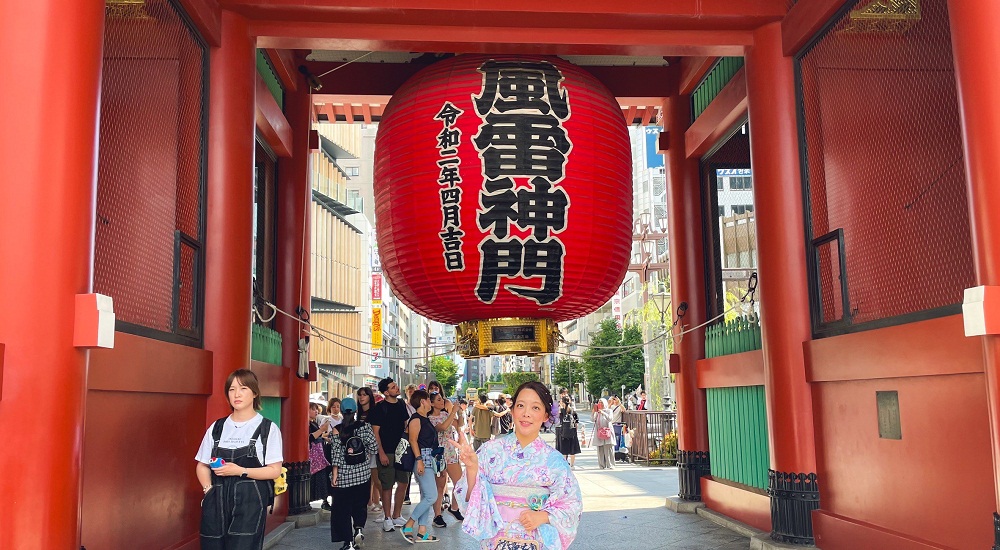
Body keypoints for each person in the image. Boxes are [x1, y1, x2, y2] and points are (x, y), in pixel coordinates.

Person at [451, 382, 582, 550]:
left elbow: (572, 505)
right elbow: (471, 500)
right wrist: (471, 469)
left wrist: (543, 516)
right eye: (520, 405)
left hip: (537, 539)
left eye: (535, 408)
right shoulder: (490, 451)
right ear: (512, 411)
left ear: (545, 416)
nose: (526, 413)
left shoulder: (555, 461)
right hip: (497, 540)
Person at [195, 369, 284, 550]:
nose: (237, 394)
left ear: (254, 393)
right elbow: (202, 464)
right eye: (231, 389)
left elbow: (274, 470)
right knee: (212, 545)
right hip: (216, 499)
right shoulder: (217, 427)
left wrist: (239, 471)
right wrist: (208, 491)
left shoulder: (267, 428)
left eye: (243, 388)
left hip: (250, 501)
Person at [329, 397, 378, 550]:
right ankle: (358, 528)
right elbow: (374, 448)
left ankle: (348, 542)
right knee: (360, 505)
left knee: (342, 509)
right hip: (363, 475)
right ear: (356, 411)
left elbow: (335, 454)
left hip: (343, 477)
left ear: (342, 412)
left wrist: (335, 474)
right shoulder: (365, 426)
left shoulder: (337, 429)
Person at [369, 377, 411, 532]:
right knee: (387, 486)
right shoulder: (379, 408)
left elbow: (406, 425)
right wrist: (381, 453)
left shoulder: (401, 404)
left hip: (402, 450)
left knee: (403, 482)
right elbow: (375, 433)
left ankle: (396, 514)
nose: (396, 388)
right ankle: (387, 517)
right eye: (393, 387)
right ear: (386, 392)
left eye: (396, 386)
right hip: (386, 450)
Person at [400, 389, 441, 542]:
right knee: (432, 496)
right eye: (429, 400)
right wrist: (419, 460)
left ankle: (422, 532)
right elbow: (413, 440)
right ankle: (409, 524)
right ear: (423, 401)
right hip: (422, 459)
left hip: (428, 459)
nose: (431, 402)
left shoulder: (424, 418)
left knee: (426, 495)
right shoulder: (416, 419)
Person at [428, 391, 466, 527]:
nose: (441, 401)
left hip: (450, 452)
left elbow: (458, 424)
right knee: (440, 485)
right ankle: (437, 515)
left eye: (442, 399)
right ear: (431, 403)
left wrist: (459, 412)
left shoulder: (445, 414)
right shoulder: (430, 418)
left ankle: (454, 507)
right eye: (438, 400)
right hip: (439, 454)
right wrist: (452, 412)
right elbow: (442, 427)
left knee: (460, 482)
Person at [356, 386, 382, 513]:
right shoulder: (359, 413)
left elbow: (376, 432)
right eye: (360, 395)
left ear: (370, 397)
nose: (361, 397)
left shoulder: (374, 411)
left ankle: (385, 507)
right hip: (362, 450)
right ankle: (372, 502)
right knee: (368, 479)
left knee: (376, 479)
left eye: (364, 395)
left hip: (373, 449)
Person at [309, 402, 333, 510]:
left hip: (318, 456)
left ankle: (324, 500)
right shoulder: (307, 423)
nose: (316, 411)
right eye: (313, 409)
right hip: (313, 457)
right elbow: (309, 437)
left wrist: (324, 437)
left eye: (316, 409)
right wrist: (322, 430)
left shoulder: (312, 423)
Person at [555, 397, 581, 469]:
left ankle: (565, 464)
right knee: (572, 449)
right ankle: (572, 465)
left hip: (563, 432)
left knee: (564, 449)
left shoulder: (561, 411)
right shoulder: (572, 410)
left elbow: (557, 421)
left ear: (562, 402)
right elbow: (576, 422)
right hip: (572, 432)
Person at [593, 399, 615, 470]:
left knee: (608, 448)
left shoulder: (609, 411)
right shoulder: (597, 412)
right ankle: (601, 465)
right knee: (600, 449)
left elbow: (610, 419)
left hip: (607, 431)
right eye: (599, 402)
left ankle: (610, 464)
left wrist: (603, 412)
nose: (600, 404)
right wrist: (594, 412)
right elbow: (592, 419)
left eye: (602, 402)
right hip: (599, 432)